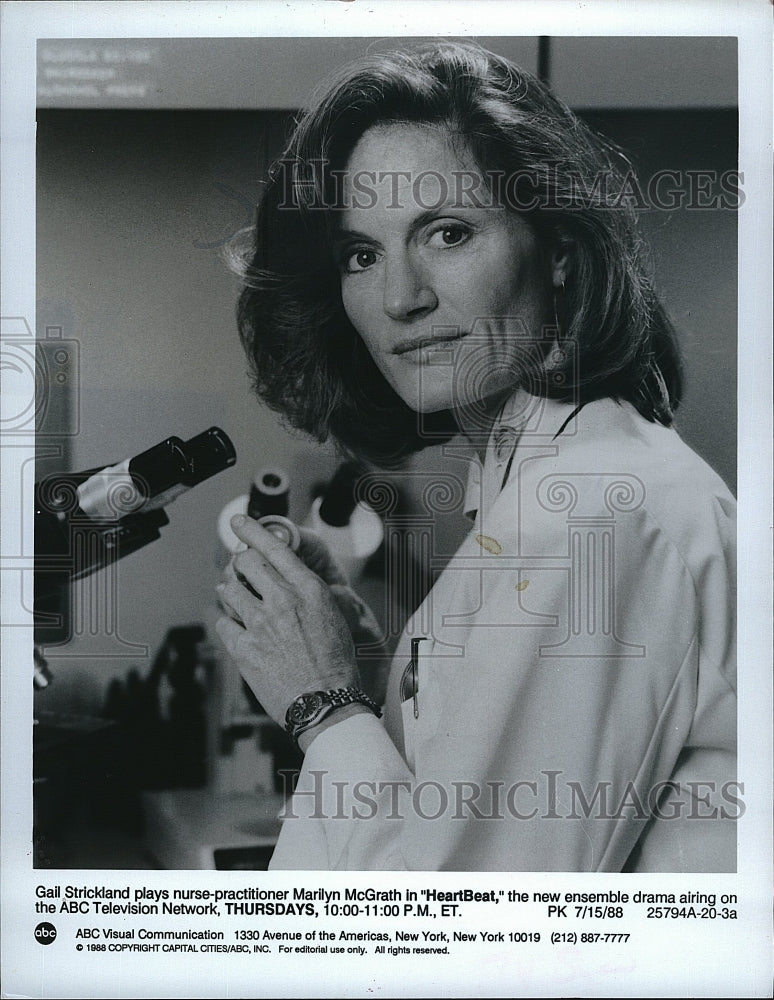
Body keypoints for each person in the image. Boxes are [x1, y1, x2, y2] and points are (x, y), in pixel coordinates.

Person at [215, 41, 737, 871]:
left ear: (560, 250)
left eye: (448, 234)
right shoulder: (557, 487)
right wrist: (377, 677)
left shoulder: (590, 510)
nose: (399, 298)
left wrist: (321, 702)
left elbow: (459, 934)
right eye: (362, 254)